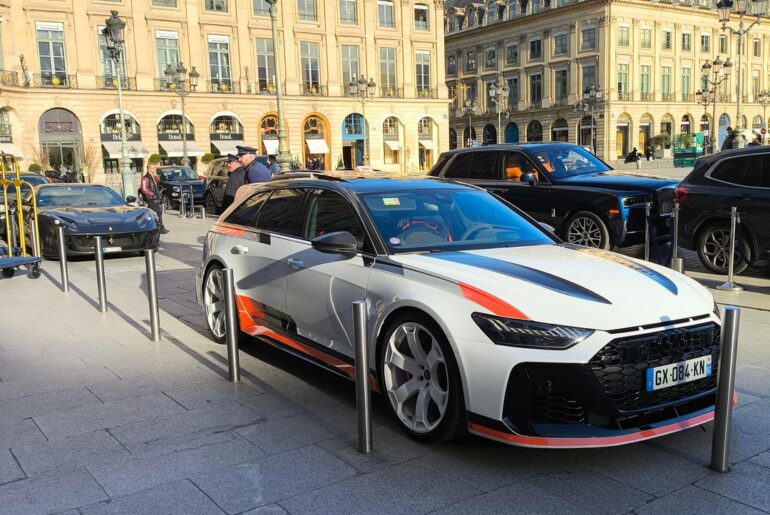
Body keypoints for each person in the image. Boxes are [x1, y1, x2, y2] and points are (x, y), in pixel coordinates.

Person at [139, 162, 169, 234]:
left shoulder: (152, 177)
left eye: (155, 168)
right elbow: (144, 189)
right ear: (149, 168)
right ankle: (159, 228)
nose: (154, 169)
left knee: (156, 213)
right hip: (150, 198)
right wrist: (152, 194)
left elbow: (154, 186)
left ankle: (158, 227)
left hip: (154, 198)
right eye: (153, 168)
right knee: (158, 212)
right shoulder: (145, 178)